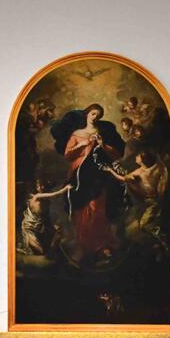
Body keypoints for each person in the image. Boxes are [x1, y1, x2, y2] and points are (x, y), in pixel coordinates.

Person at [50, 104, 127, 260]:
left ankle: (101, 244)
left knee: (98, 207)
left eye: (98, 115)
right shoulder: (77, 134)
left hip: (98, 175)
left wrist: (102, 145)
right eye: (93, 114)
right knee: (81, 208)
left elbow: (116, 155)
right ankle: (84, 245)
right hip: (80, 175)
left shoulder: (102, 133)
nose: (95, 117)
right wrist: (81, 144)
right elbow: (68, 155)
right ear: (86, 115)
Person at [18, 182, 71, 255]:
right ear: (36, 188)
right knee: (39, 251)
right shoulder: (36, 197)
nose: (42, 187)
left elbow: (47, 217)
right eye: (39, 186)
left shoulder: (46, 202)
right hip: (29, 228)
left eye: (43, 185)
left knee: (45, 249)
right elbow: (54, 194)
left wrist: (53, 227)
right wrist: (65, 189)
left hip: (38, 228)